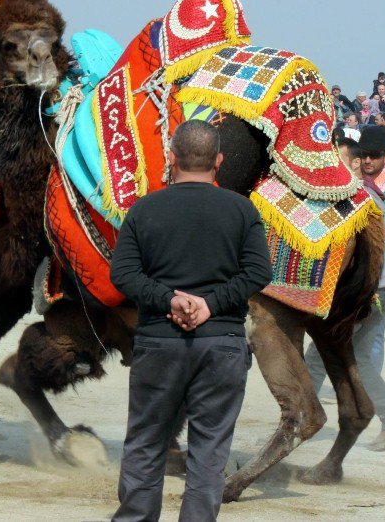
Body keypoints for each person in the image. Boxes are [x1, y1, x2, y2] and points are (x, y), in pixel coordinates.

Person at [109, 120, 272, 522]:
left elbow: (123, 275)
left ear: (171, 157)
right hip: (221, 344)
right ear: (218, 161)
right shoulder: (241, 209)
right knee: (209, 453)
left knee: (146, 443)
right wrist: (210, 305)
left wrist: (169, 299)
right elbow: (258, 273)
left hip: (158, 342)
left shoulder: (144, 209)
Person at [307, 126, 385, 452]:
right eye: (363, 155)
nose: (368, 160)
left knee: (323, 356)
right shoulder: (364, 189)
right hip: (372, 285)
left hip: (368, 287)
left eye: (374, 155)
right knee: (359, 359)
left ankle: (301, 416)